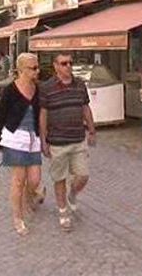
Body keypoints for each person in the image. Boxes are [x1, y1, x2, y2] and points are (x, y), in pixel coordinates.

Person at [39, 53, 96, 231]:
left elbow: (85, 107)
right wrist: (43, 139)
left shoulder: (80, 85)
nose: (68, 66)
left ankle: (73, 193)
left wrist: (92, 129)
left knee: (83, 175)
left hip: (78, 138)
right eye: (64, 63)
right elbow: (43, 114)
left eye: (70, 63)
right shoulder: (47, 87)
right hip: (57, 141)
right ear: (55, 66)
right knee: (60, 178)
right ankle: (63, 212)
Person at [0, 53, 45, 236]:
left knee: (34, 179)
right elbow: (0, 115)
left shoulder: (38, 89)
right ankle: (18, 217)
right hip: (14, 138)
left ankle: (29, 196)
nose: (37, 71)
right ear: (21, 69)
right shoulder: (10, 90)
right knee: (18, 180)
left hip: (33, 138)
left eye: (37, 67)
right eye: (33, 68)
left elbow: (42, 114)